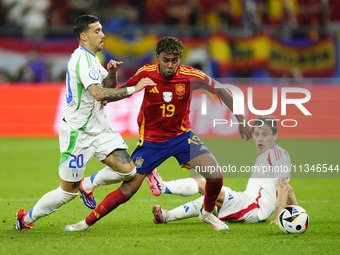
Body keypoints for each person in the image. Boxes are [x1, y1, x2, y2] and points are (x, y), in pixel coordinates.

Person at [64, 36, 252, 232]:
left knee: (215, 175)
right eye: (166, 60)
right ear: (157, 57)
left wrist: (242, 121)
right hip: (151, 142)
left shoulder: (190, 75)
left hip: (182, 137)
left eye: (175, 60)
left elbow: (221, 90)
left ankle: (206, 213)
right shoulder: (146, 73)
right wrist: (110, 83)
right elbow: (119, 92)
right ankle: (84, 224)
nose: (170, 65)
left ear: (180, 58)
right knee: (128, 190)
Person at [15, 14, 156, 230]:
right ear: (84, 36)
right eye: (97, 31)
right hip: (78, 134)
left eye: (101, 29)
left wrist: (111, 73)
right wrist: (134, 89)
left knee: (128, 171)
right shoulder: (81, 59)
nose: (103, 34)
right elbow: (99, 94)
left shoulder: (92, 59)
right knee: (66, 193)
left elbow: (106, 87)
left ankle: (88, 184)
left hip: (99, 129)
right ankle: (26, 219)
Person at [149, 116, 298, 225]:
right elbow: (288, 189)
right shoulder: (266, 157)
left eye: (265, 134)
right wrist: (298, 211)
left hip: (254, 207)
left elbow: (282, 186)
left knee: (210, 187)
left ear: (275, 136)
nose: (260, 139)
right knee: (208, 193)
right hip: (247, 201)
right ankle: (166, 216)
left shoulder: (277, 154)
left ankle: (162, 187)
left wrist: (278, 216)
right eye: (257, 134)